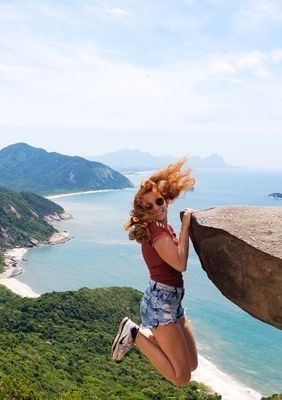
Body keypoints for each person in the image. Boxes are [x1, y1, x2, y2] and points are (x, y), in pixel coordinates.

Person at [111, 157, 198, 386]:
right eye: (149, 207)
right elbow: (180, 264)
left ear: (166, 199)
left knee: (192, 364)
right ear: (144, 211)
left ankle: (140, 334)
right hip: (162, 303)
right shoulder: (157, 232)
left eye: (159, 202)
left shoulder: (162, 228)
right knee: (181, 378)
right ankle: (134, 335)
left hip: (170, 300)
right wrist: (186, 227)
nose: (157, 208)